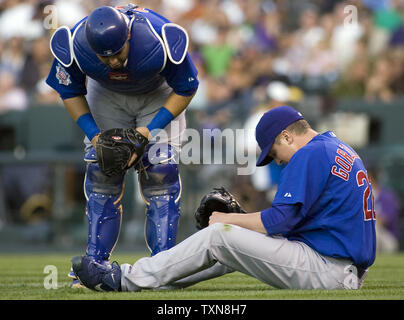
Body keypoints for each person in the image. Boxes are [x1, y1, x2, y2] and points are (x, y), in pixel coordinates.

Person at [72, 106, 376, 291]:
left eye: (274, 152)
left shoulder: (309, 154)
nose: (278, 161)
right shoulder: (336, 148)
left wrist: (227, 219)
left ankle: (124, 278)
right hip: (335, 264)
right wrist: (242, 225)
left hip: (329, 268)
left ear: (287, 136)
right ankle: (157, 278)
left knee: (219, 235)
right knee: (229, 244)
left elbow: (281, 219)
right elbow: (298, 221)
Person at [45, 4, 199, 287]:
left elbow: (186, 87)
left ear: (128, 37)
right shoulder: (74, 42)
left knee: (160, 171)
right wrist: (94, 135)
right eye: (104, 56)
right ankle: (95, 263)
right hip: (106, 95)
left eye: (117, 53)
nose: (113, 61)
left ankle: (163, 266)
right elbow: (68, 90)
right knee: (103, 169)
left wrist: (147, 132)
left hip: (158, 93)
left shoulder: (160, 37)